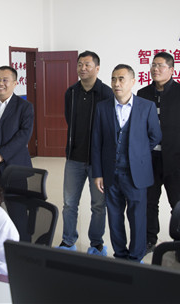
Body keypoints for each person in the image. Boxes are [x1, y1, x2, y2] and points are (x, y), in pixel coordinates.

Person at [92, 64, 161, 262]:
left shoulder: (146, 106)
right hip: (110, 173)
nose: (116, 83)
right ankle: (120, 256)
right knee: (114, 217)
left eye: (121, 79)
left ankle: (136, 256)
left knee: (137, 217)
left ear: (132, 81)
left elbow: (155, 136)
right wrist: (98, 173)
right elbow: (96, 142)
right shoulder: (102, 107)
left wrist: (137, 152)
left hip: (136, 173)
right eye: (113, 79)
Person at [137, 52, 180, 265]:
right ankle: (149, 239)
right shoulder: (143, 93)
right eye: (153, 65)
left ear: (171, 70)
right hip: (149, 158)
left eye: (160, 65)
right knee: (149, 202)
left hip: (175, 159)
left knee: (178, 204)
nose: (155, 69)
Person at [58, 51, 113, 256]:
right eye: (80, 64)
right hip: (74, 158)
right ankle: (68, 241)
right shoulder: (71, 92)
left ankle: (96, 243)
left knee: (98, 205)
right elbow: (69, 119)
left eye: (87, 65)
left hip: (98, 161)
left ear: (97, 68)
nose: (83, 68)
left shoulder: (107, 94)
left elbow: (110, 127)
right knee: (69, 203)